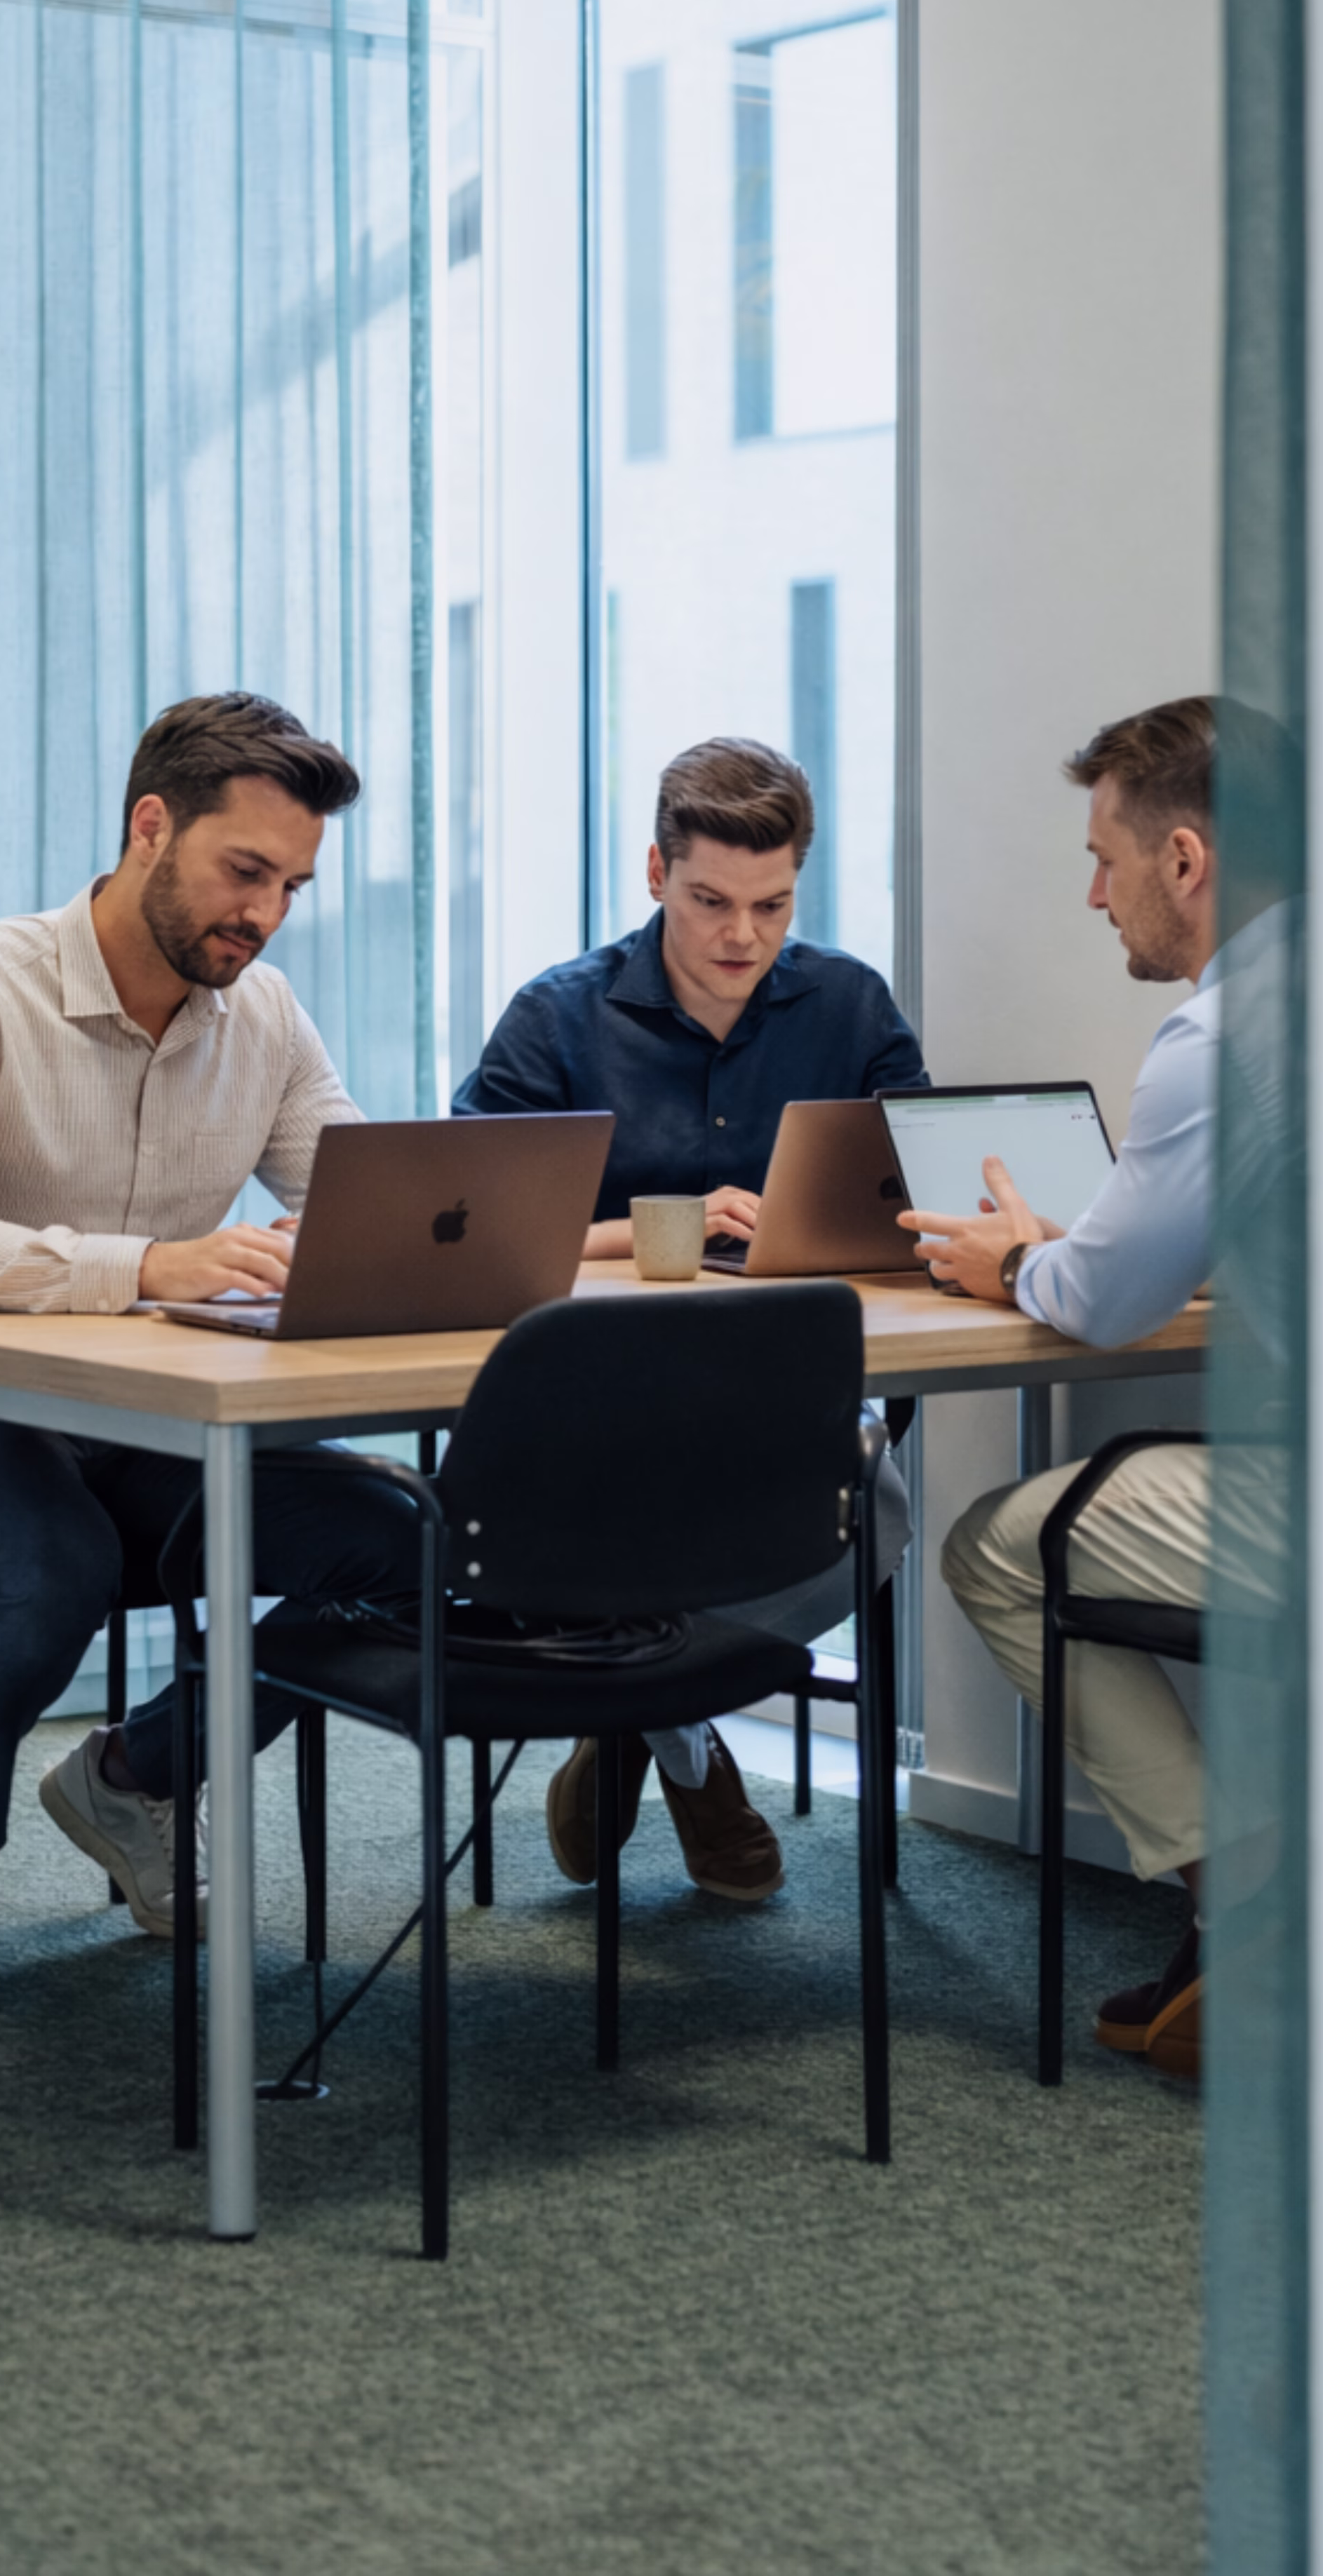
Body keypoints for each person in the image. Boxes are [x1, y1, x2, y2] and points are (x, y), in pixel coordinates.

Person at [0, 692, 422, 2016]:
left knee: (397, 1540)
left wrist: (508, 1237)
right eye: (245, 872)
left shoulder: (260, 1016)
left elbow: (359, 1193)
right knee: (57, 1562)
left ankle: (137, 1778)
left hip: (150, 1406)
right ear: (150, 828)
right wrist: (153, 1266)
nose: (267, 913)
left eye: (292, 885)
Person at [457, 736, 928, 1903]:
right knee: (599, 1510)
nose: (742, 939)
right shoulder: (557, 1019)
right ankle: (689, 1741)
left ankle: (639, 1706)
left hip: (778, 1388)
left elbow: (919, 1192)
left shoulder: (850, 1002)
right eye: (712, 901)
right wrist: (660, 1226)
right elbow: (464, 1230)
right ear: (655, 873)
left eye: (772, 907)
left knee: (880, 1510)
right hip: (594, 1400)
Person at [906, 696, 1294, 2082]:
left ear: (1184, 860)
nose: (1091, 893)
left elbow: (1104, 1302)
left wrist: (1019, 1256)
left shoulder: (1227, 1033)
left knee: (996, 1546)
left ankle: (1244, 1902)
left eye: (1101, 857)